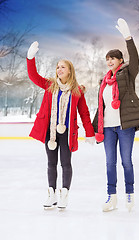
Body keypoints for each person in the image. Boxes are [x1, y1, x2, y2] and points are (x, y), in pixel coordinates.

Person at [26, 41, 95, 210]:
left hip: (67, 133)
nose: (59, 69)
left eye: (63, 67)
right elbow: (33, 76)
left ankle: (64, 195)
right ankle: (51, 195)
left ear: (70, 70)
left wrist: (90, 132)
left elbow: (84, 113)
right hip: (50, 132)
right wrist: (30, 58)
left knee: (65, 163)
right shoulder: (50, 85)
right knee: (51, 163)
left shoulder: (77, 91)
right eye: (58, 67)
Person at [92, 18, 139, 212]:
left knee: (126, 161)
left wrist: (128, 38)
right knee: (110, 162)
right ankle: (111, 197)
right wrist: (93, 129)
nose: (109, 62)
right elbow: (102, 107)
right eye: (107, 59)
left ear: (120, 61)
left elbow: (136, 59)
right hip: (107, 127)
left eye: (113, 58)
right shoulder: (103, 81)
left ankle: (129, 193)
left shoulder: (128, 74)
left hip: (125, 127)